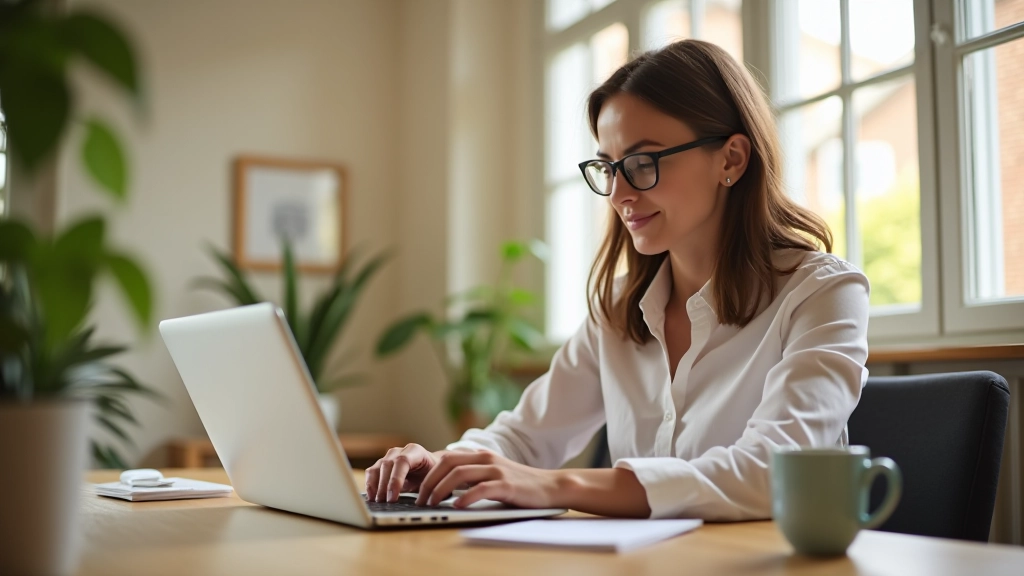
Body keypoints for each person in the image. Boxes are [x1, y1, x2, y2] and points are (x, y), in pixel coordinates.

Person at [365, 39, 869, 521]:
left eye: (643, 162)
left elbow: (773, 471)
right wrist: (439, 465)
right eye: (609, 167)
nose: (619, 194)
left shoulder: (823, 294)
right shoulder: (617, 310)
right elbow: (524, 438)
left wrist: (556, 485)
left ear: (731, 159)